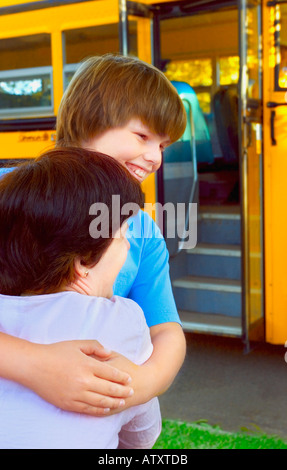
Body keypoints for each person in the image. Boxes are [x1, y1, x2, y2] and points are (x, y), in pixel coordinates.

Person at [0, 54, 187, 415]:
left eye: (163, 146)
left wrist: (140, 386)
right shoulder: (8, 194)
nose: (154, 158)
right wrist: (34, 365)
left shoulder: (142, 230)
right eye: (143, 135)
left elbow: (166, 331)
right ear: (88, 123)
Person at [0, 147, 161, 449]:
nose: (127, 246)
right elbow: (142, 436)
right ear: (84, 262)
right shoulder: (123, 319)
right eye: (123, 234)